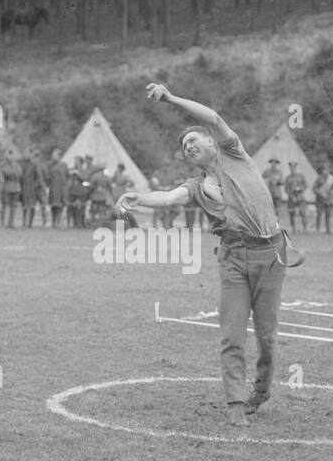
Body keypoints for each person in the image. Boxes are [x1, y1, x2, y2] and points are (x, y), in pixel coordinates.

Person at [115, 83, 302, 428]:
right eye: (184, 147)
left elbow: (212, 117)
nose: (188, 147)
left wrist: (170, 99)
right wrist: (136, 198)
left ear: (212, 143)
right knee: (231, 334)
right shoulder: (196, 186)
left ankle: (261, 391)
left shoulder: (234, 153)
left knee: (266, 338)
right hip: (232, 258)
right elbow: (169, 198)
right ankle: (235, 403)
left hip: (271, 255)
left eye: (193, 141)